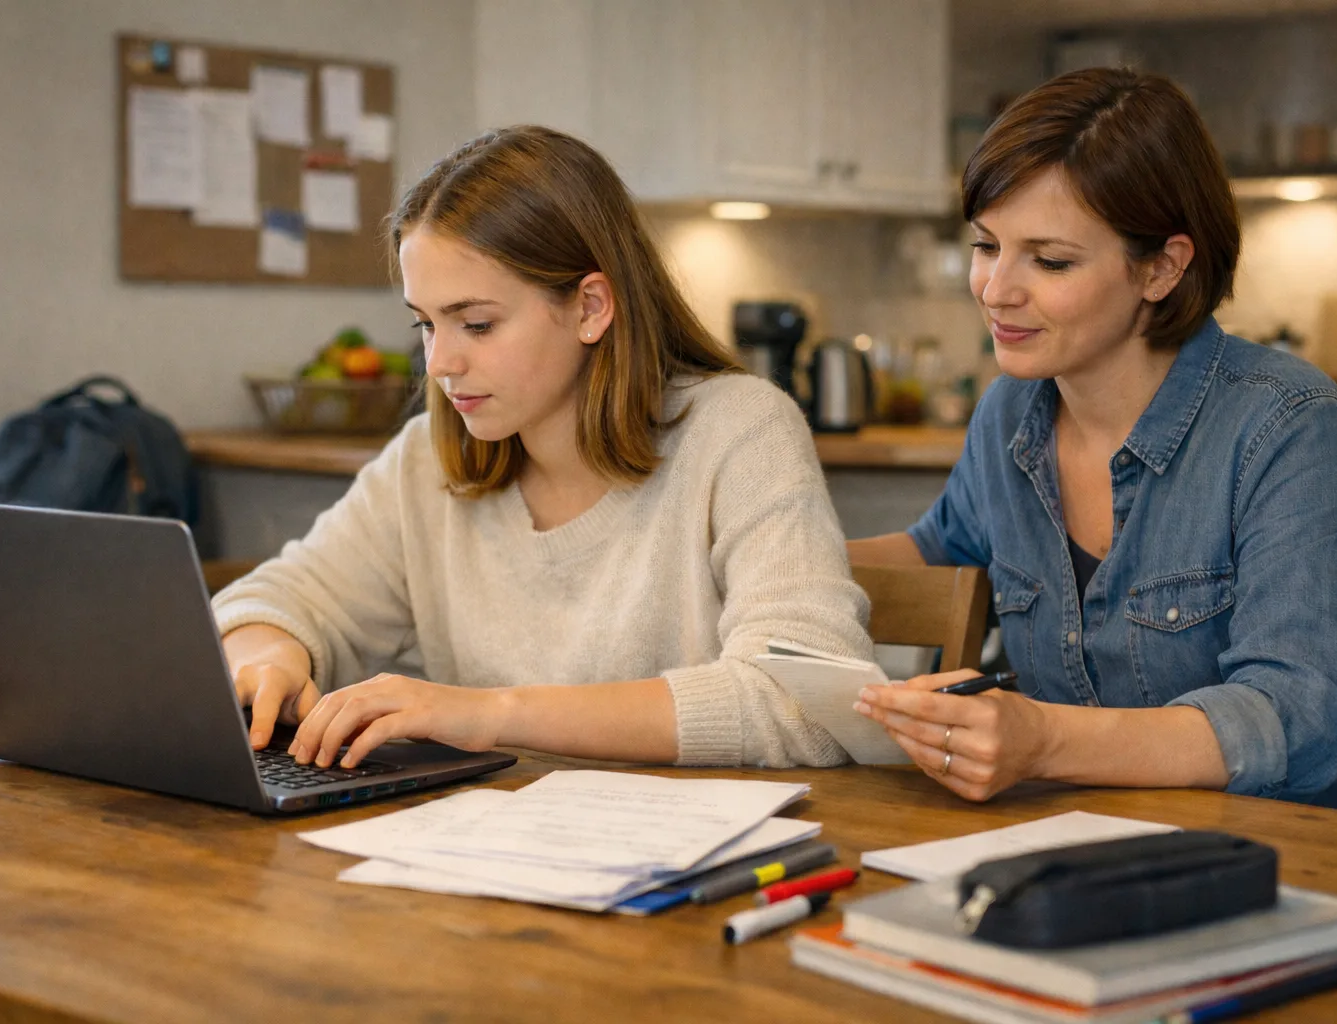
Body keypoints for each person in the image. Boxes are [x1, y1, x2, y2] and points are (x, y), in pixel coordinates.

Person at [849, 67, 1337, 819]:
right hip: (1104, 843)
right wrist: (747, 551)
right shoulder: (1011, 413)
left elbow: (1295, 719)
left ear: (1162, 267)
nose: (995, 289)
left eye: (1049, 260)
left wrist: (1043, 738)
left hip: (1321, 863)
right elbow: (938, 551)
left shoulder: (1288, 424)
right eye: (988, 246)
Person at [213, 125, 871, 772]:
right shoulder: (426, 461)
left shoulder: (742, 432)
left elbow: (806, 704)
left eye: (476, 324)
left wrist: (489, 714)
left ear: (590, 307)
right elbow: (283, 598)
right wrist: (266, 656)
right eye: (425, 324)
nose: (440, 363)